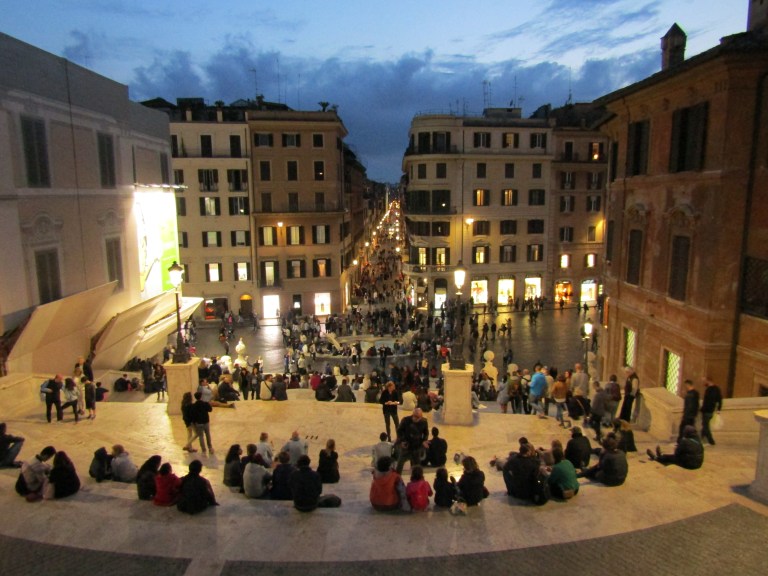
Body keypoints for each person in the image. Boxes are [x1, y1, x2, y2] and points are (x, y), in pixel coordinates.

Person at [395, 408, 429, 474]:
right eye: (414, 416)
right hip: (406, 445)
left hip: (416, 446)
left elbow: (426, 433)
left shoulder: (424, 422)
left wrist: (424, 440)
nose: (415, 418)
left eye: (417, 417)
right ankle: (397, 478)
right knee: (400, 463)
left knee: (417, 466)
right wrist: (402, 440)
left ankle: (417, 480)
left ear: (421, 417)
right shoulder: (406, 420)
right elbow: (399, 430)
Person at [700, 377, 723, 445]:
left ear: (708, 381)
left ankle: (711, 440)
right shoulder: (716, 389)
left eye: (705, 381)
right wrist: (719, 409)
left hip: (707, 410)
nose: (704, 383)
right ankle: (701, 438)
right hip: (710, 410)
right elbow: (719, 400)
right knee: (704, 425)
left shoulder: (710, 390)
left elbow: (707, 401)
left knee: (705, 426)